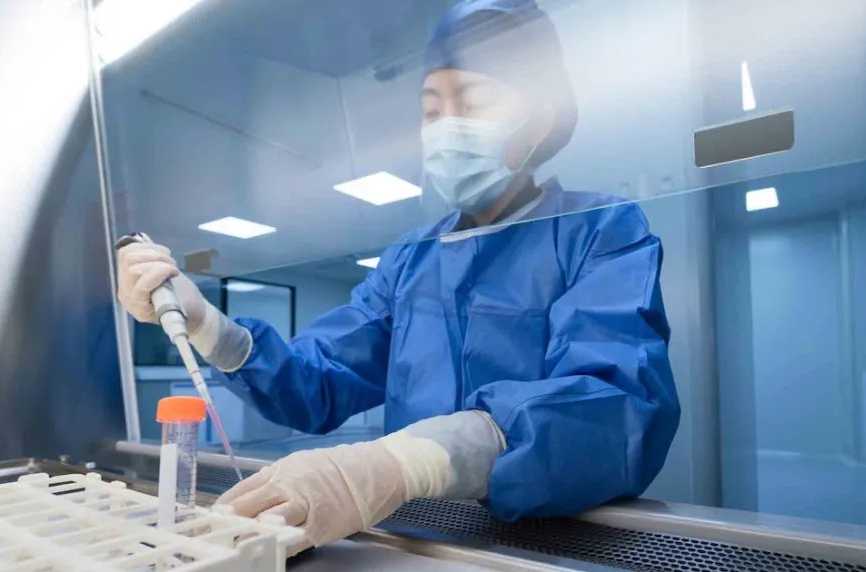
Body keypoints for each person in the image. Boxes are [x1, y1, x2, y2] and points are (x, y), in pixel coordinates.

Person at [117, 0, 679, 555]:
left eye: (474, 101)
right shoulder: (411, 259)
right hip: (416, 537)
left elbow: (614, 407)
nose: (447, 126)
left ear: (542, 116)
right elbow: (317, 383)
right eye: (432, 110)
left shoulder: (599, 230)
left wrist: (404, 463)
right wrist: (209, 326)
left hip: (547, 541)